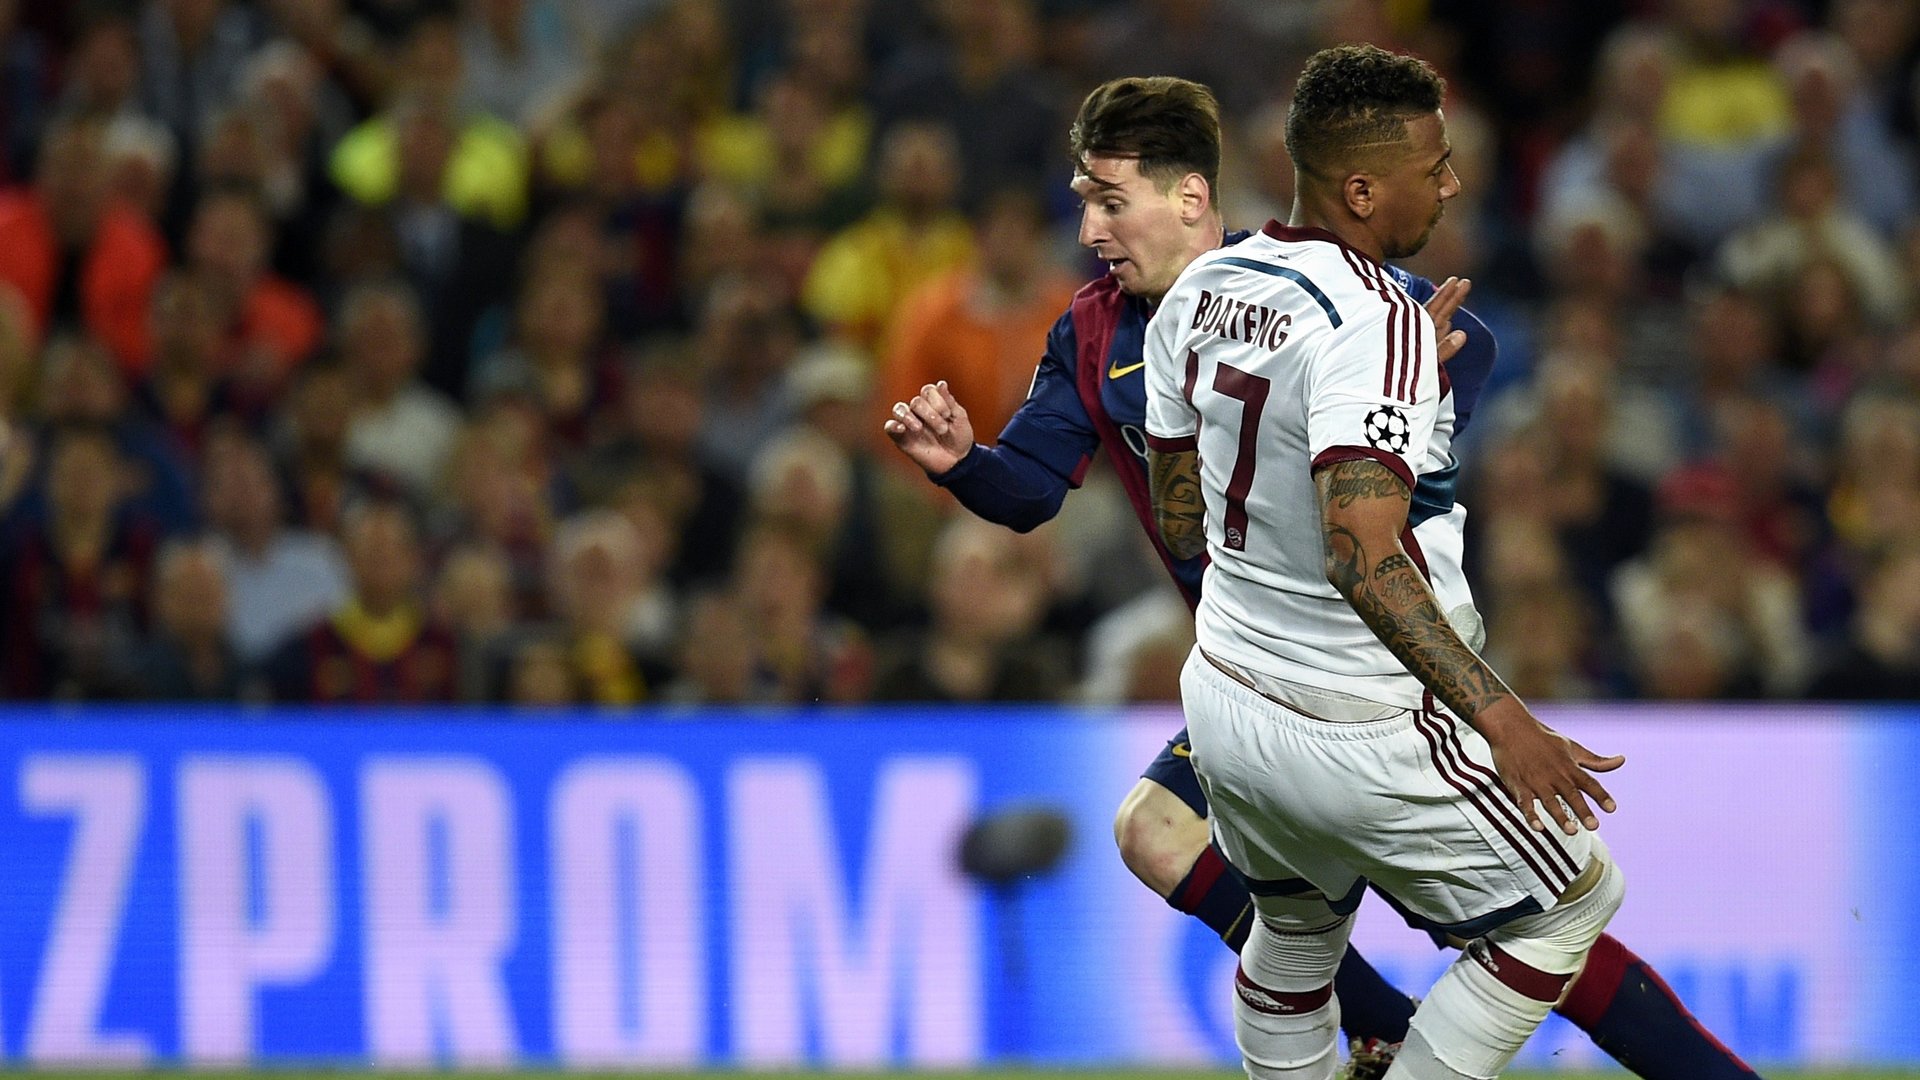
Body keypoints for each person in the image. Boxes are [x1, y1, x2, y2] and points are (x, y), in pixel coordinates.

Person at [887, 73, 1760, 1080]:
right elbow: (1036, 488)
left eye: (1107, 200)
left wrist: (1405, 388)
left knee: (1336, 907)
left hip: (1364, 668)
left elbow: (1430, 401)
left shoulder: (1316, 306)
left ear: (1189, 198)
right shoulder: (1098, 328)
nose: (1088, 231)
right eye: (1082, 200)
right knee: (1510, 909)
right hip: (1276, 670)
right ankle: (1391, 1032)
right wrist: (966, 468)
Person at [1136, 46, 1687, 1080]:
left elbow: (1180, 523)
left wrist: (1400, 414)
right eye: (1434, 166)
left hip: (1224, 697)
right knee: (1573, 901)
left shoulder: (1201, 287)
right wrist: (1502, 717)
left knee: (1296, 934)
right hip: (1356, 723)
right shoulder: (1376, 316)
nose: (1453, 184)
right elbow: (1361, 555)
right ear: (1360, 188)